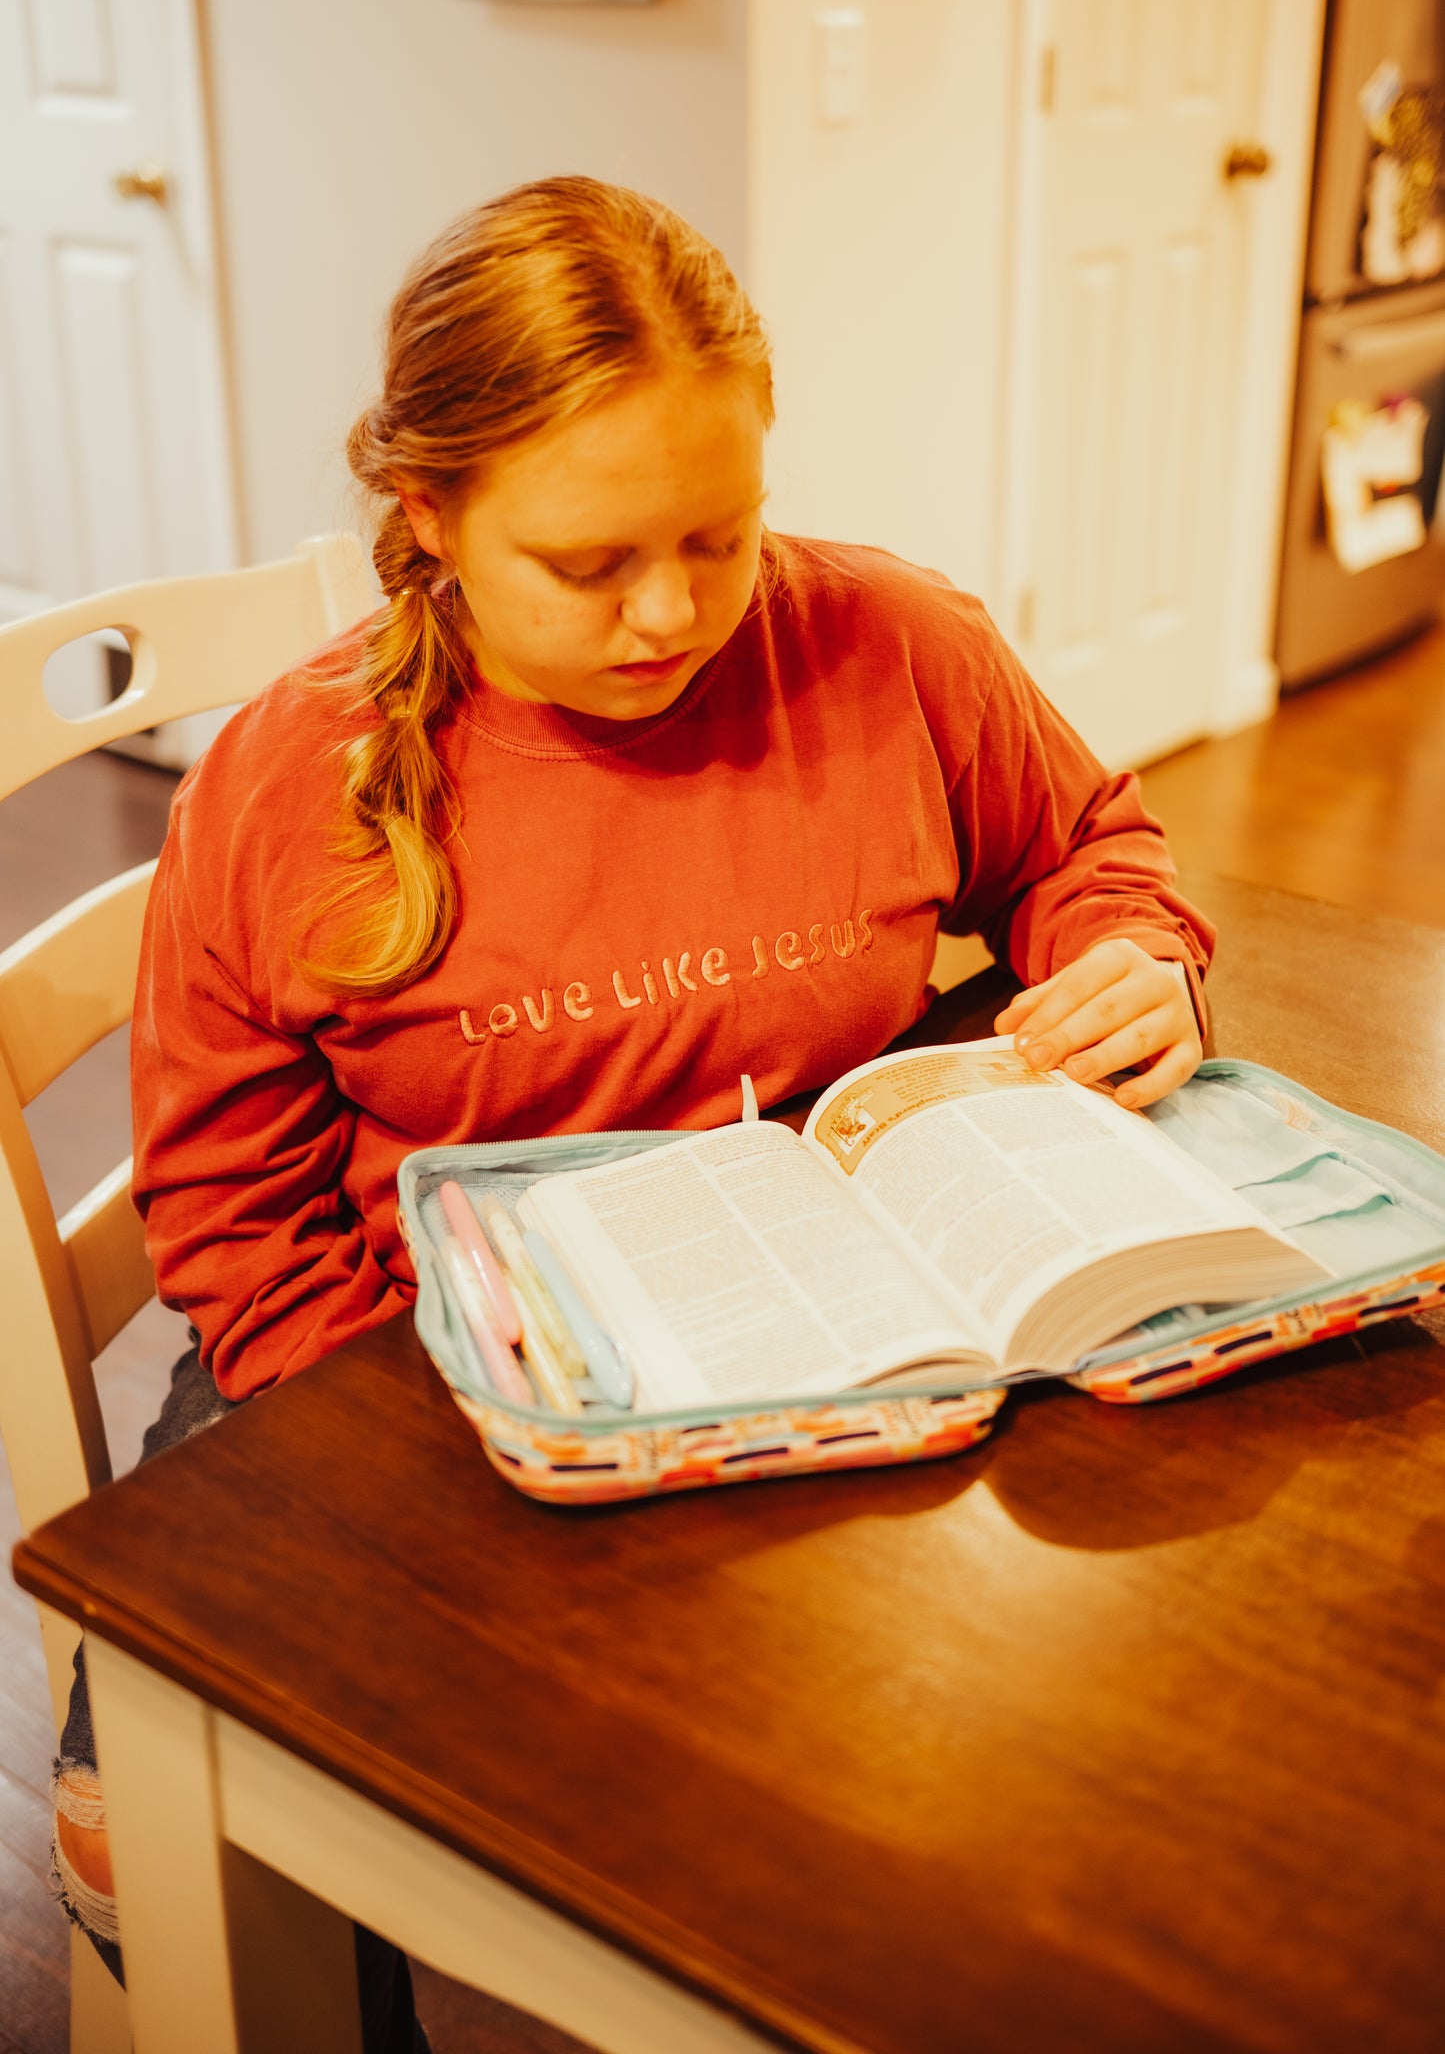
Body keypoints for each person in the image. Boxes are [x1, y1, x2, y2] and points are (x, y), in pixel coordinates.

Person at [52, 176, 1210, 2040]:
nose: (670, 614)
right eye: (587, 567)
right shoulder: (293, 782)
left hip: (818, 1340)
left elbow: (1087, 849)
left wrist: (1132, 952)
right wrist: (491, 1480)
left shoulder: (889, 646)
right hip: (391, 1376)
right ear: (425, 520)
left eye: (719, 537)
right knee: (190, 1872)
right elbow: (233, 1221)